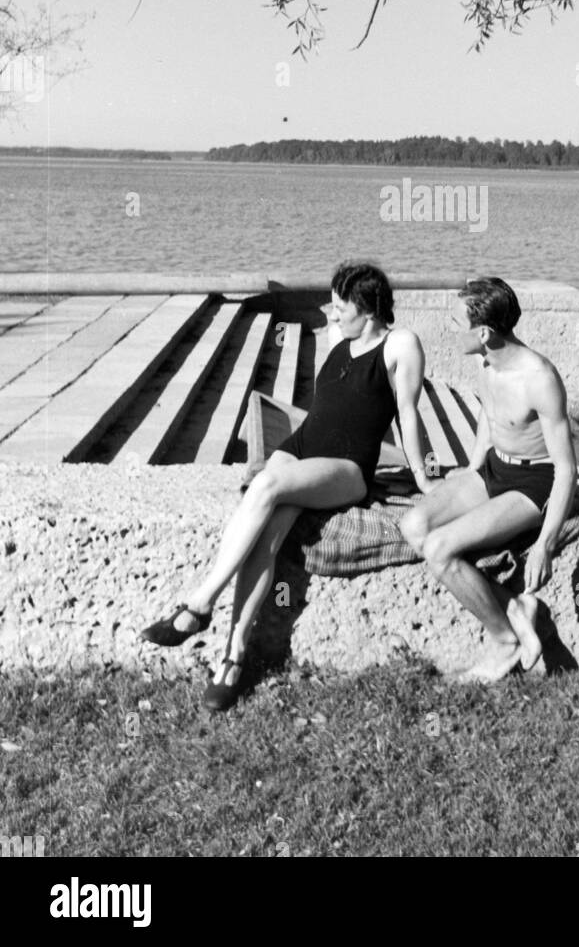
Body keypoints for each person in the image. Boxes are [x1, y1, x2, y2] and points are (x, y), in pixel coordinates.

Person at [141, 262, 427, 709]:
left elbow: (408, 414)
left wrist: (424, 475)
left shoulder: (400, 344)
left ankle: (199, 605)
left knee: (267, 484)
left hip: (347, 468)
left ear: (369, 311)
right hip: (299, 449)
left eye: (340, 307)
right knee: (264, 538)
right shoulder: (339, 337)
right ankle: (231, 659)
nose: (332, 315)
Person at [401, 276, 577, 683]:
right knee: (414, 525)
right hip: (493, 467)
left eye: (454, 322)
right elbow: (488, 415)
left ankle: (505, 642)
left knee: (439, 549)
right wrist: (472, 465)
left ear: (482, 332)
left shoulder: (540, 378)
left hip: (533, 483)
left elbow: (567, 469)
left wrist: (543, 546)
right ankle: (515, 609)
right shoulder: (484, 361)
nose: (447, 329)